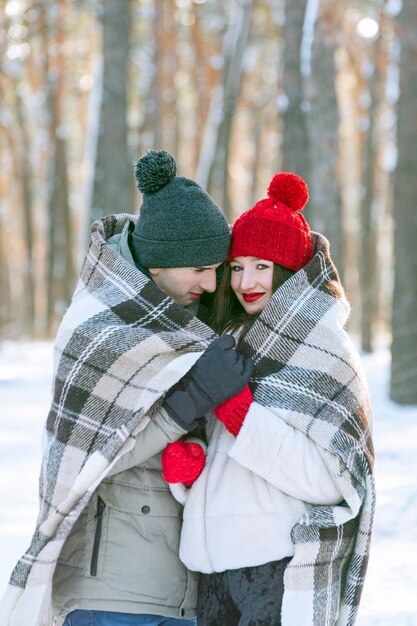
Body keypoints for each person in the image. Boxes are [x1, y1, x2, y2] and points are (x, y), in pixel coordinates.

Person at [0, 150, 253, 626]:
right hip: (110, 591)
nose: (212, 280)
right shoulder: (100, 327)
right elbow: (90, 460)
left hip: (185, 586)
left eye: (218, 267)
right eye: (199, 268)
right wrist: (191, 400)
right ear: (158, 263)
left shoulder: (193, 320)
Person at [162, 172, 376, 626]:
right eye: (237, 266)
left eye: (262, 265)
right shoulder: (227, 335)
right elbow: (218, 450)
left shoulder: (323, 348)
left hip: (273, 562)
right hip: (209, 566)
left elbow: (331, 482)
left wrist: (245, 419)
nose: (246, 281)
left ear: (288, 270)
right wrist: (190, 463)